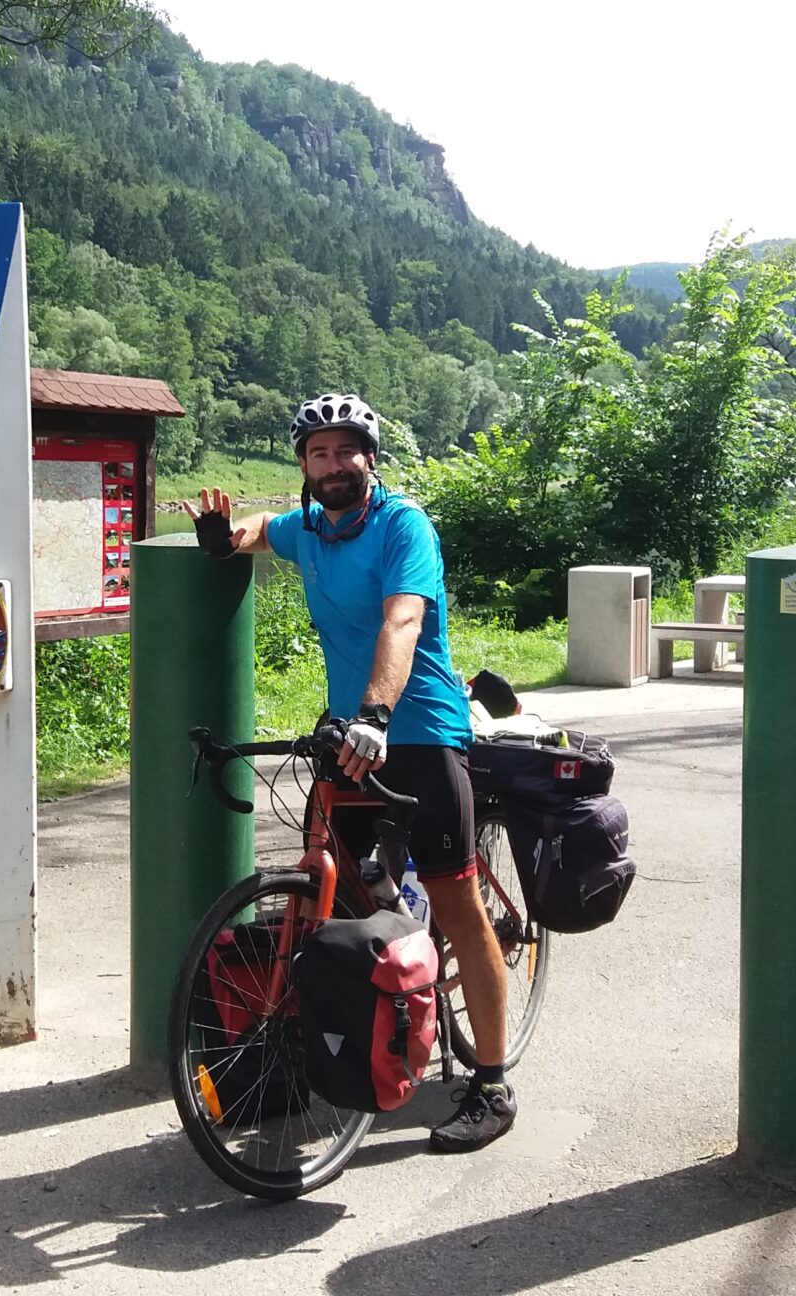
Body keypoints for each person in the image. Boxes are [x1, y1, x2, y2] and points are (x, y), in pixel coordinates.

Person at [191, 393, 518, 1152]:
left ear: (370, 458)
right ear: (304, 466)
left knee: (457, 905)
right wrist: (218, 538)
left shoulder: (404, 524)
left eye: (346, 451)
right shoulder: (307, 528)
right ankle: (379, 1007)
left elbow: (402, 618)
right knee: (334, 892)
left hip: (420, 732)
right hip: (350, 737)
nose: (333, 466)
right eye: (318, 454)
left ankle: (493, 1082)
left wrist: (374, 714)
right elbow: (252, 535)